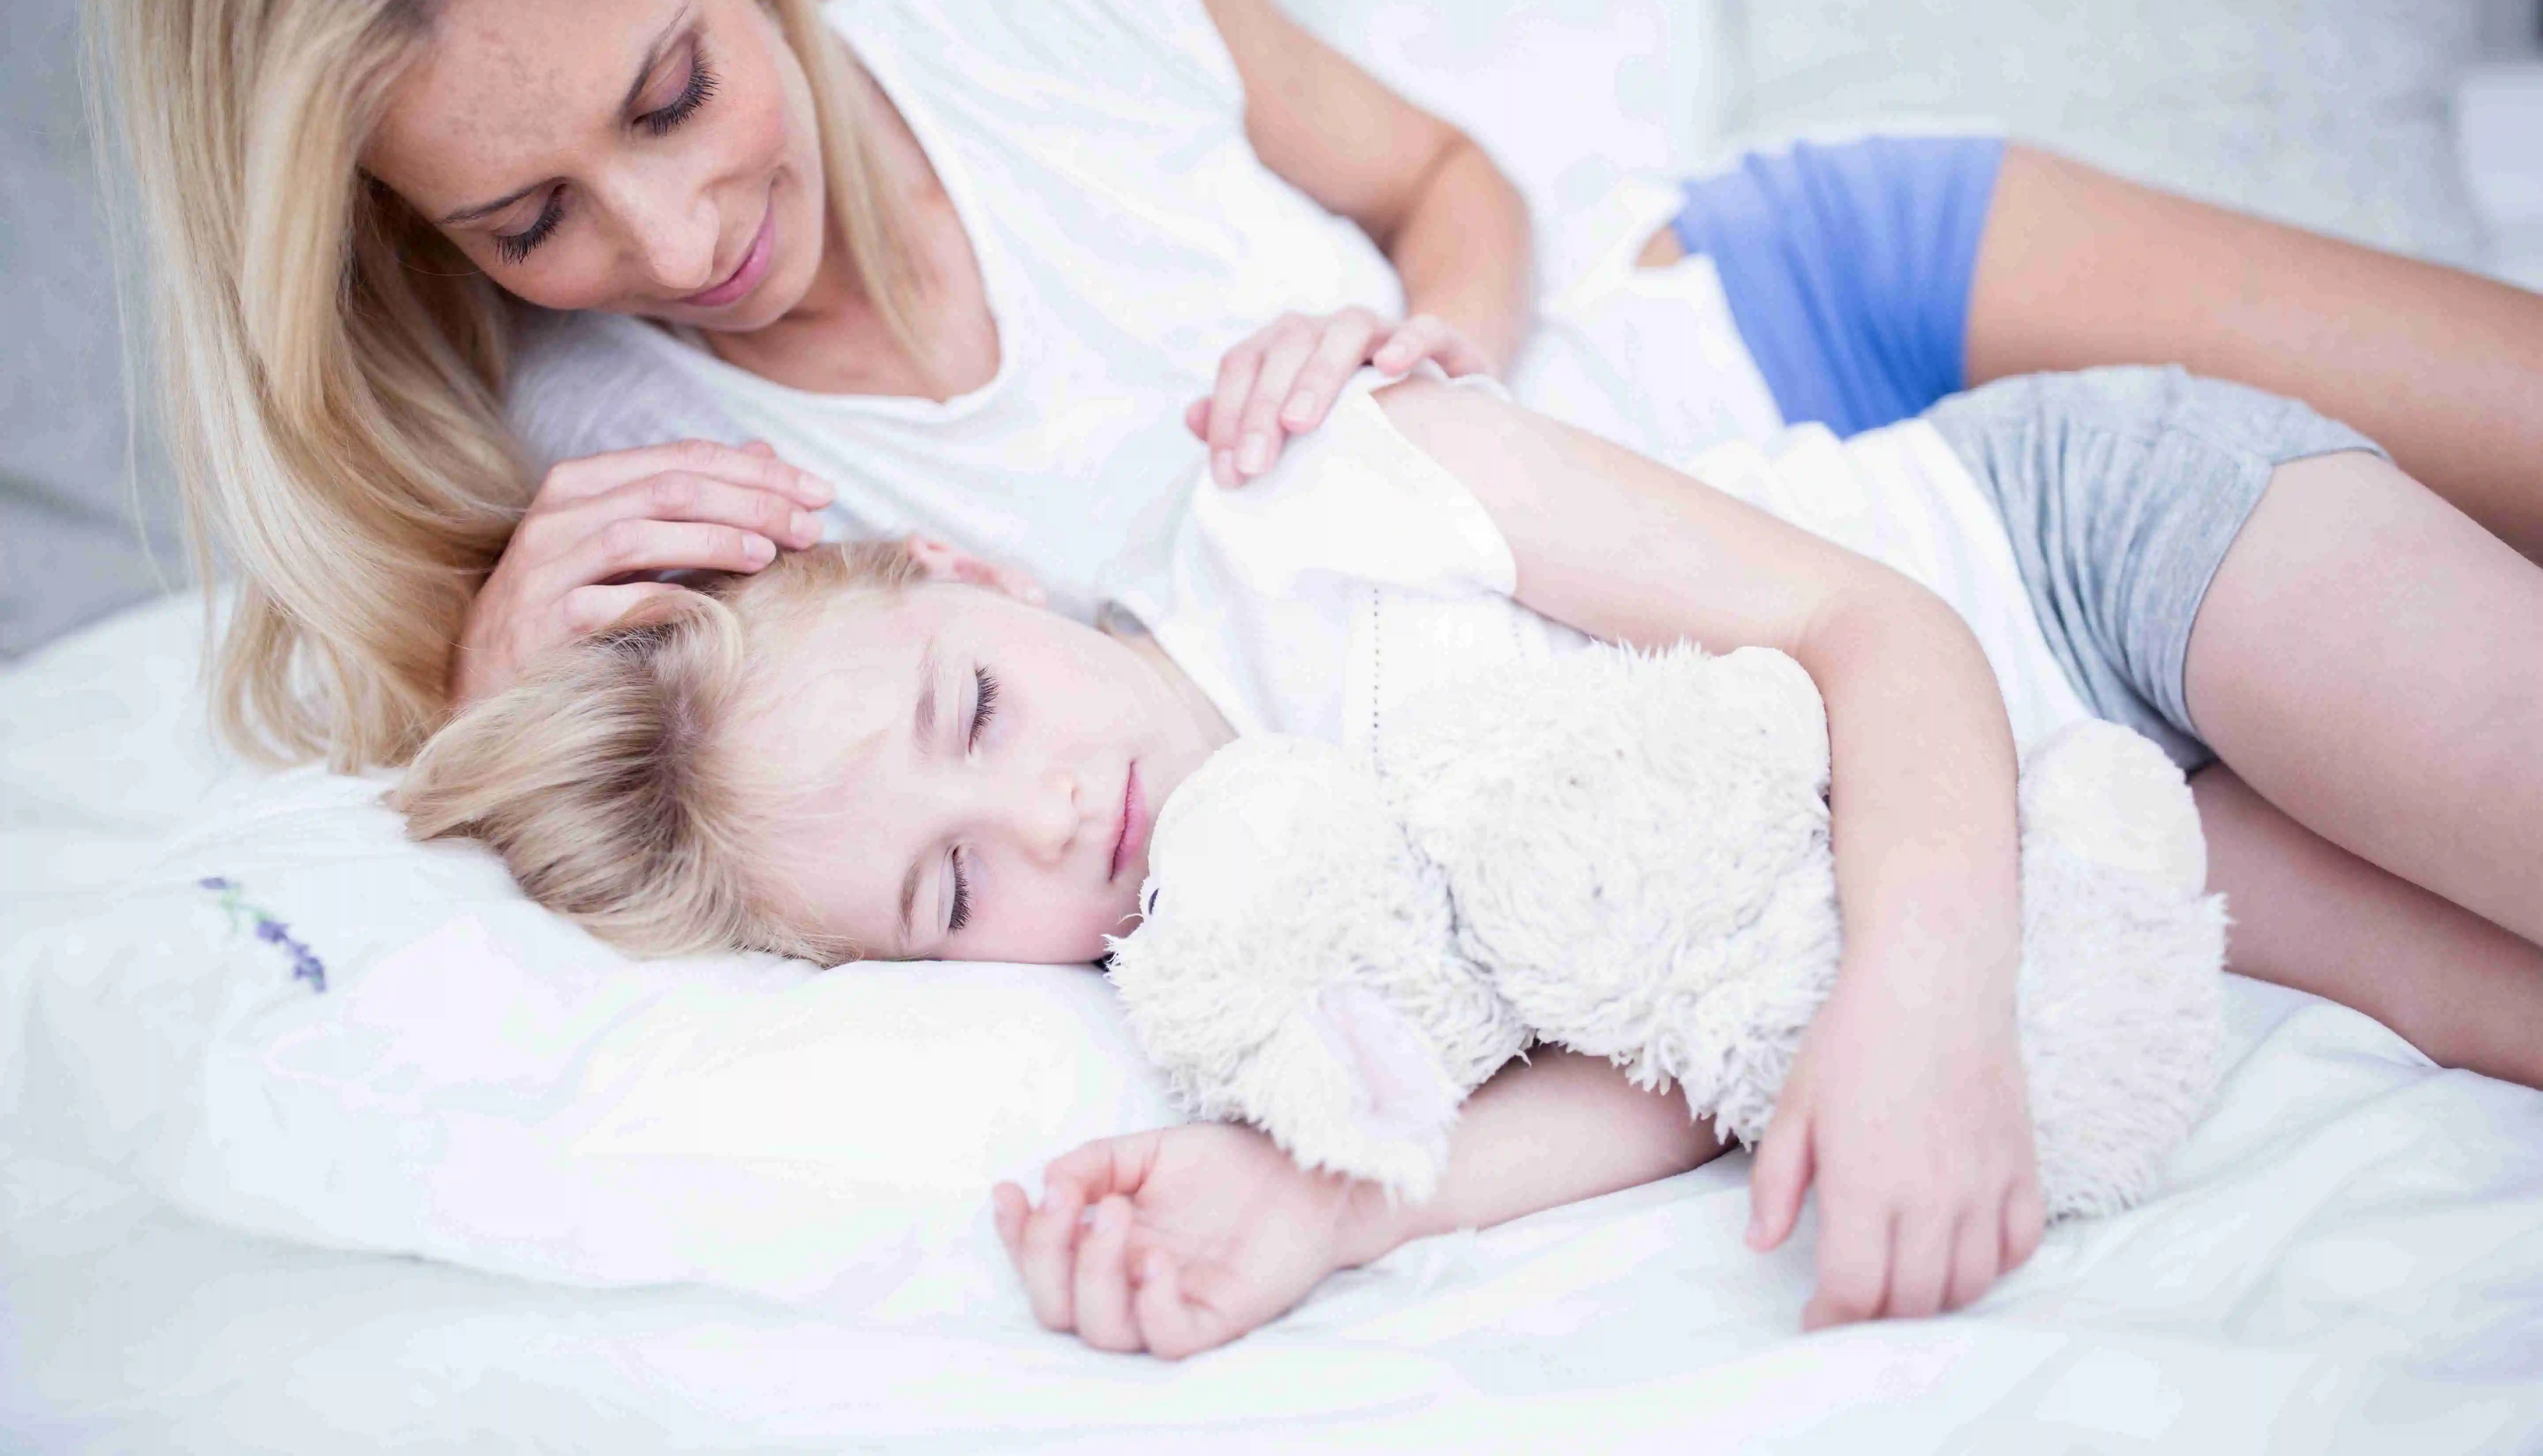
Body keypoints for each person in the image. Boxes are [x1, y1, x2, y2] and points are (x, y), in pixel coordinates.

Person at [96, 0, 2543, 1338]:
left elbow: (1447, 188)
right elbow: (597, 847)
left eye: (670, 94)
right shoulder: (615, 476)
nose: (679, 226)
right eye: (531, 212)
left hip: (1788, 317)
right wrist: (483, 679)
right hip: (1779, 711)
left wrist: (1427, 361)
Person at [396, 354, 2543, 1357]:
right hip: (2099, 836)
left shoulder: (1329, 495)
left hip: (2076, 572)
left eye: (976, 710)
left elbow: (1869, 630)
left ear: (977, 574)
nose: (1046, 815)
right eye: (954, 892)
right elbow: (1666, 1052)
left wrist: (1927, 998)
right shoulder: (1226, 953)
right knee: (2498, 1020)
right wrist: (1325, 1212)